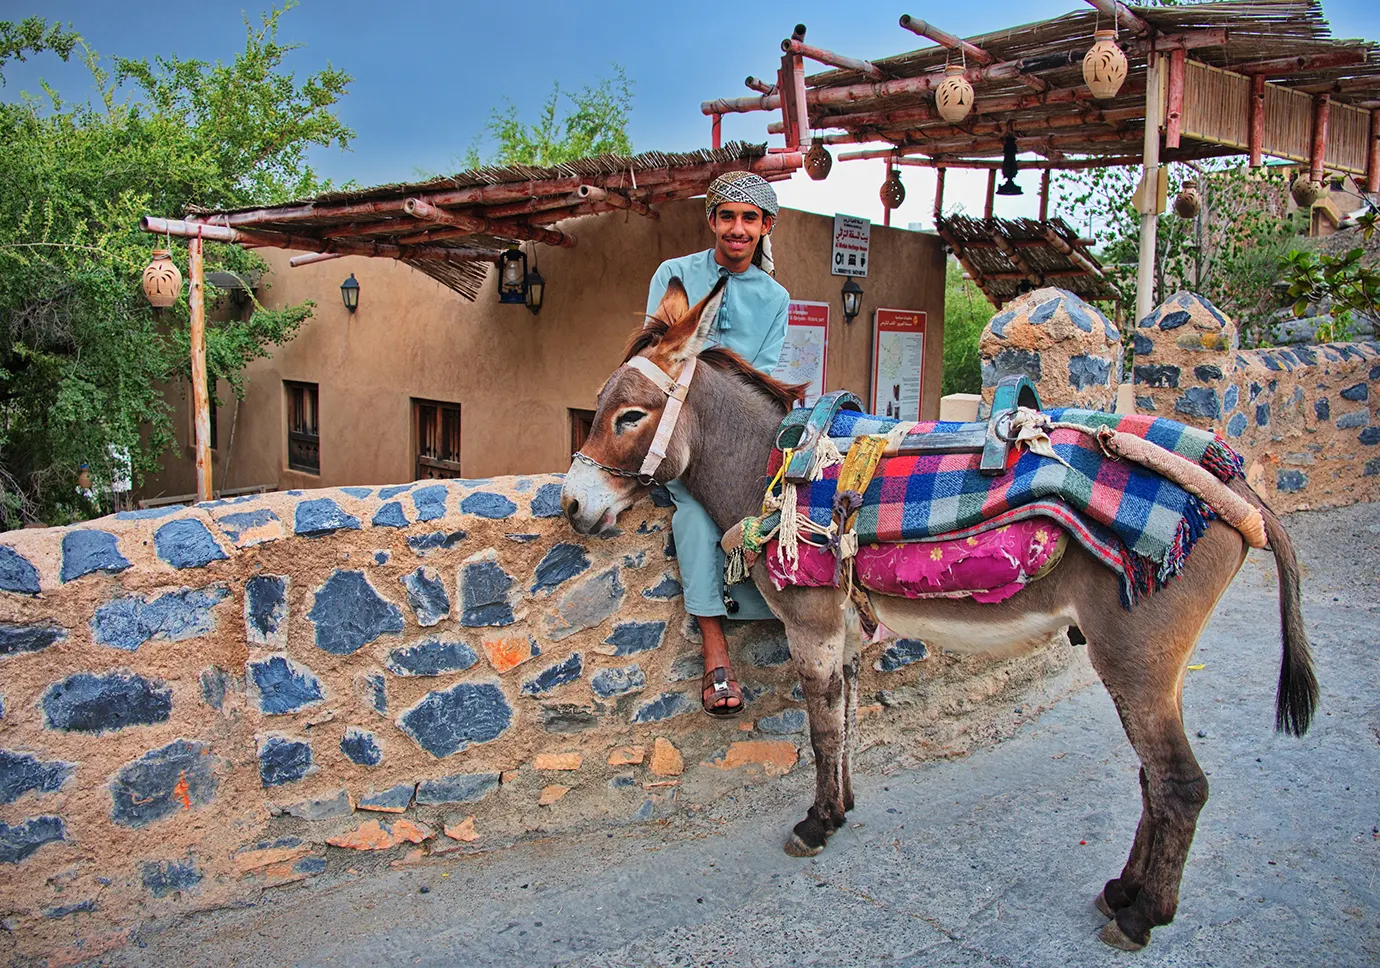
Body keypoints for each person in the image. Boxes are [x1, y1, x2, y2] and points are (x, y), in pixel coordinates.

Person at [644, 171, 790, 716]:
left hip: (742, 432)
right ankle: (715, 649)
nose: (737, 228)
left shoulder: (775, 297)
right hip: (680, 426)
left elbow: (765, 380)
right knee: (694, 509)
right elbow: (658, 350)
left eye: (749, 218)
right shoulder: (675, 274)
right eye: (727, 215)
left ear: (765, 226)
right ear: (711, 221)